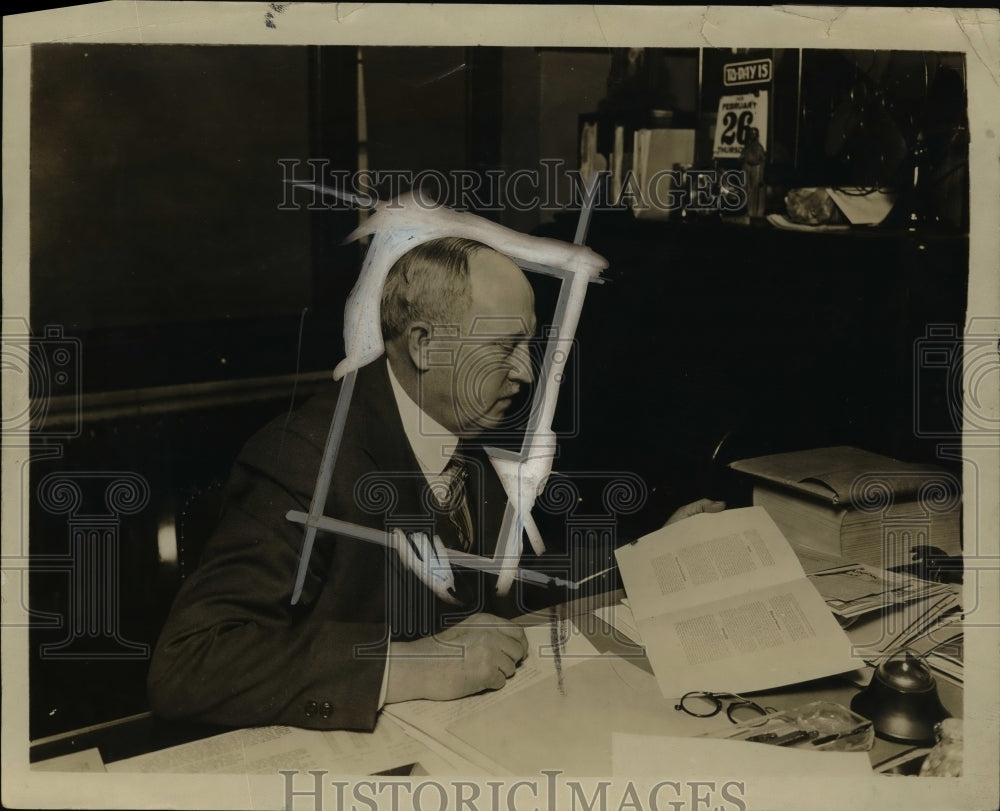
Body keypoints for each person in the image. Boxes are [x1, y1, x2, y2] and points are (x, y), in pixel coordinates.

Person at [148, 236, 722, 731]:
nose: (525, 372)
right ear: (424, 345)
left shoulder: (458, 428)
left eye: (529, 347)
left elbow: (508, 584)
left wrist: (648, 557)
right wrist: (411, 665)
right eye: (504, 347)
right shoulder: (305, 458)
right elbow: (188, 664)